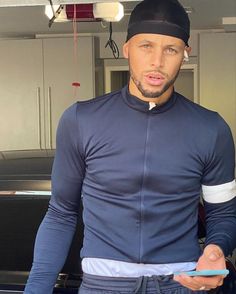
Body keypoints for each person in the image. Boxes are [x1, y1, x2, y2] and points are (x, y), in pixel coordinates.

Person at [24, 0, 236, 293]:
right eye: (146, 46)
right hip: (102, 285)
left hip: (179, 285)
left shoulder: (211, 129)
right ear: (126, 49)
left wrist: (217, 247)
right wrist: (36, 289)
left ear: (185, 54)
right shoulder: (81, 120)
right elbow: (61, 213)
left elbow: (222, 214)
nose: (157, 62)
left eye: (171, 49)